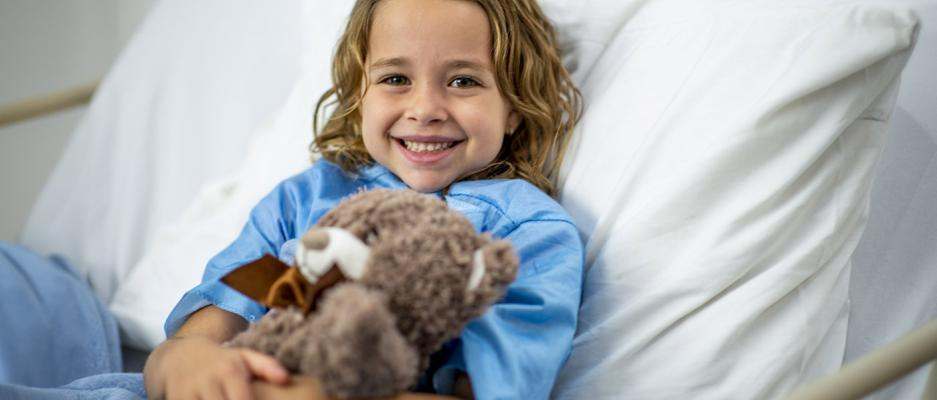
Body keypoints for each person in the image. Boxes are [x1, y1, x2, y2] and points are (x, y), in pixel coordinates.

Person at [144, 0, 583, 398]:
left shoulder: (529, 232)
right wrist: (182, 361)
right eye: (395, 78)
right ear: (359, 94)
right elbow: (206, 329)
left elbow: (490, 389)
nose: (425, 107)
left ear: (513, 108)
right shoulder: (304, 200)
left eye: (463, 80)